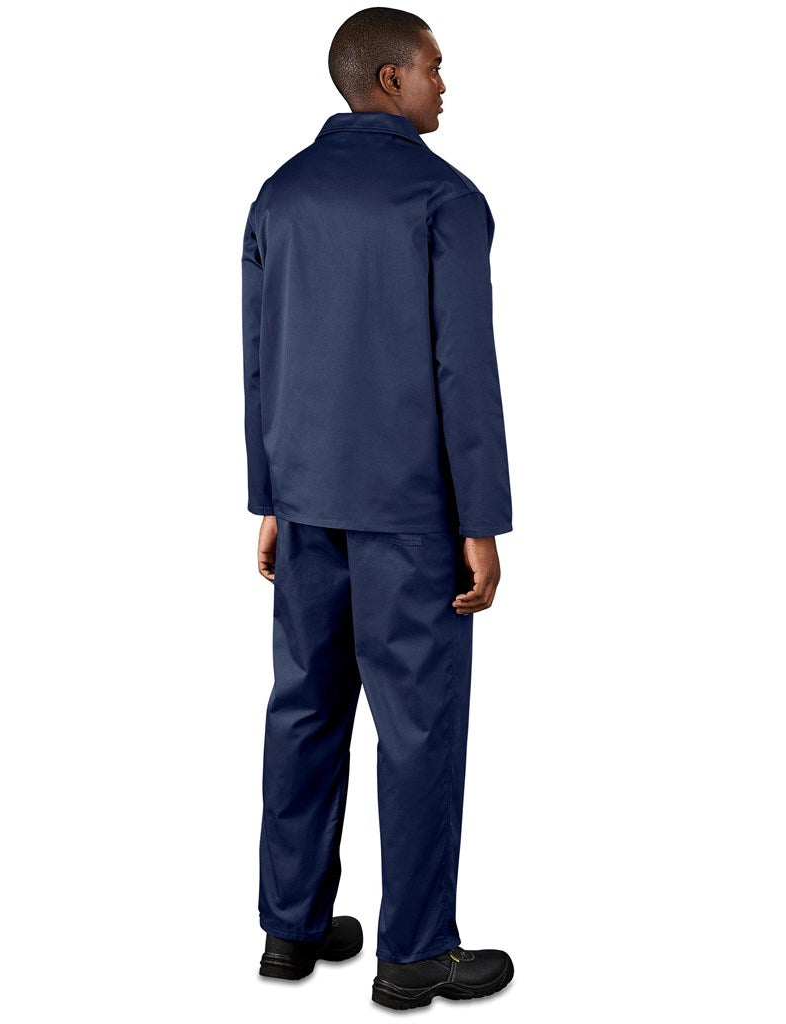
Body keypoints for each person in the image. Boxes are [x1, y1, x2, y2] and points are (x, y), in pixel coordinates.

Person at [242, 7, 514, 1009]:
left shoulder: (279, 194)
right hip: (412, 515)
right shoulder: (445, 199)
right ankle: (414, 953)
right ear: (390, 80)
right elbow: (464, 370)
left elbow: (260, 355)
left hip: (307, 501)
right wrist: (480, 522)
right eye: (435, 67)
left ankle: (290, 928)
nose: (446, 84)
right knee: (418, 728)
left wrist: (269, 498)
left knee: (304, 710)